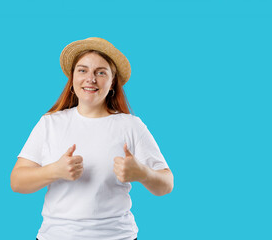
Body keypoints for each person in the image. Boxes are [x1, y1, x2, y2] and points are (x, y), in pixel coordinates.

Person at [10, 37, 174, 240]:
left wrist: (143, 173)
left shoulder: (131, 125)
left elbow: (167, 183)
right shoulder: (49, 123)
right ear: (72, 79)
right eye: (82, 70)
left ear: (112, 82)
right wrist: (54, 170)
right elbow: (16, 181)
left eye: (101, 72)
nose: (91, 78)